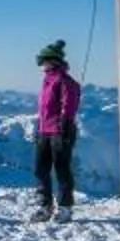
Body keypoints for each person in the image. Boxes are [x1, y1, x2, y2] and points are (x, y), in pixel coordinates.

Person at [31, 40, 82, 222]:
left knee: (62, 169)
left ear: (53, 60)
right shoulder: (46, 81)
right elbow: (44, 109)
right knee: (40, 169)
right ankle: (45, 206)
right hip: (44, 131)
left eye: (43, 60)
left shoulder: (65, 81)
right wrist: (39, 128)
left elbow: (68, 107)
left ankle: (65, 208)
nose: (41, 65)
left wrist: (64, 128)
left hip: (60, 132)